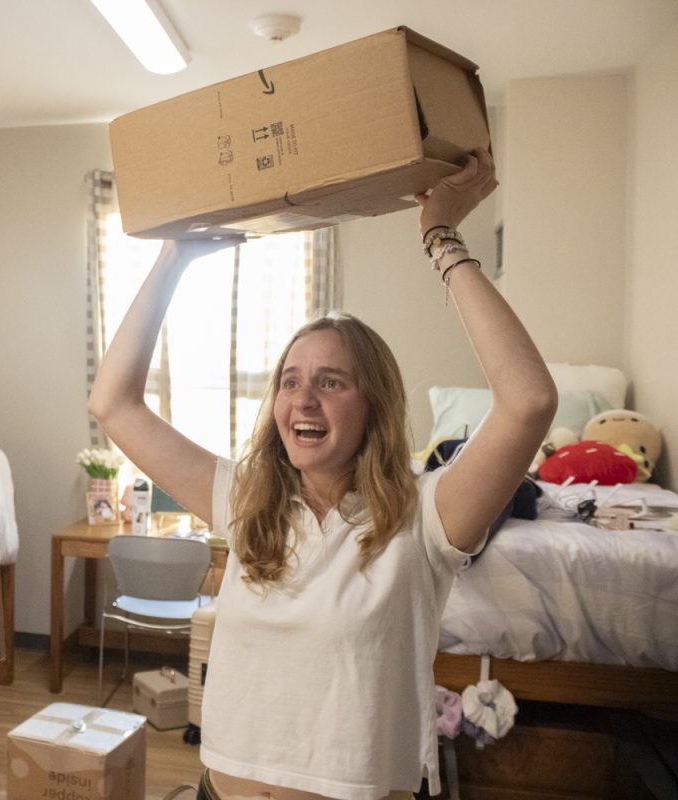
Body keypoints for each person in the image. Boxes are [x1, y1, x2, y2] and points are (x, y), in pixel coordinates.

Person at [88, 149, 556, 800]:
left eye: (331, 383)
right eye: (290, 381)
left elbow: (528, 401)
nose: (303, 400)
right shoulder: (245, 501)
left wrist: (442, 239)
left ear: (375, 407)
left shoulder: (428, 517)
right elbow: (113, 403)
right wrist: (176, 256)